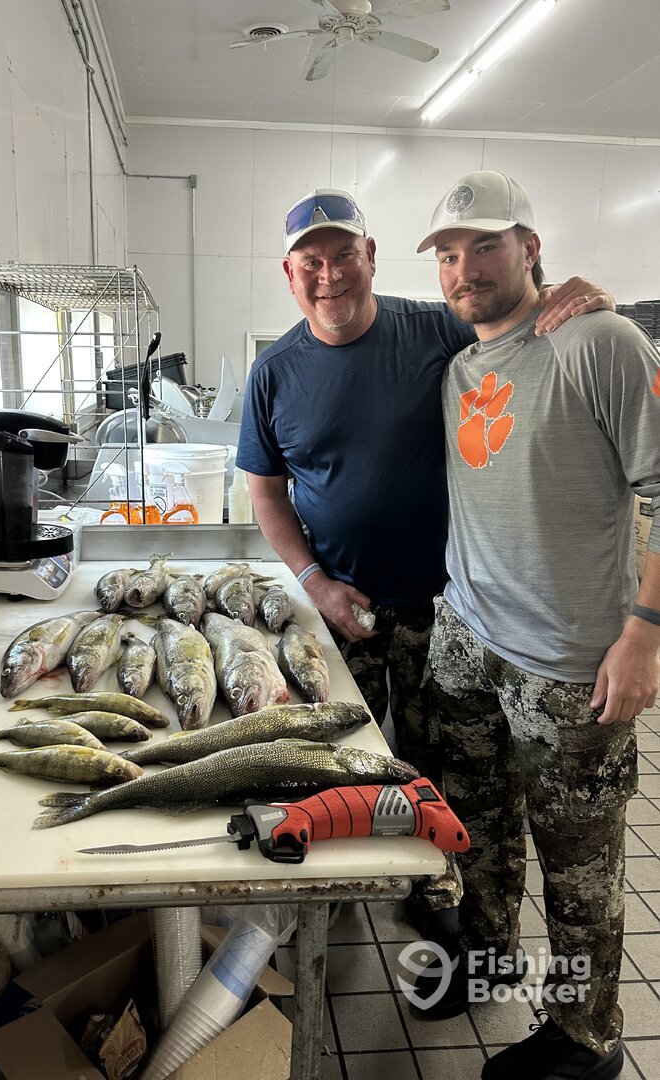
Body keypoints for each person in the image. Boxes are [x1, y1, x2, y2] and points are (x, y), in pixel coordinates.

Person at [235, 188, 612, 936]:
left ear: (370, 257)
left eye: (344, 255)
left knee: (443, 764)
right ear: (289, 274)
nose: (330, 275)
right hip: (342, 607)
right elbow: (268, 498)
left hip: (452, 609)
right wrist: (316, 582)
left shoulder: (435, 327)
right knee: (339, 754)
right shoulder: (274, 373)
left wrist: (583, 294)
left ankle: (436, 890)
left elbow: (514, 313)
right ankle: (335, 885)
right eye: (311, 261)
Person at [417, 169, 660, 1079]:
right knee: (473, 824)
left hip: (567, 662)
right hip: (466, 637)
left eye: (485, 244)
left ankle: (586, 1040)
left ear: (531, 248)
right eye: (448, 252)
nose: (464, 266)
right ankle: (484, 958)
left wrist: (645, 631)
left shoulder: (599, 339)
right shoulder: (457, 365)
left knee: (579, 865)